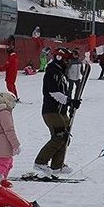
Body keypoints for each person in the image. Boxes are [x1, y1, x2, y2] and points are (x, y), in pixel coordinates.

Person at [33, 47, 81, 176]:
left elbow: (64, 93)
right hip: (51, 111)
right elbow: (53, 92)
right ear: (59, 58)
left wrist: (70, 104)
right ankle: (40, 162)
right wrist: (69, 101)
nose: (67, 63)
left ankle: (57, 166)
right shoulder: (52, 72)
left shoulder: (61, 73)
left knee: (65, 137)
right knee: (59, 137)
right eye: (66, 60)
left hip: (61, 111)